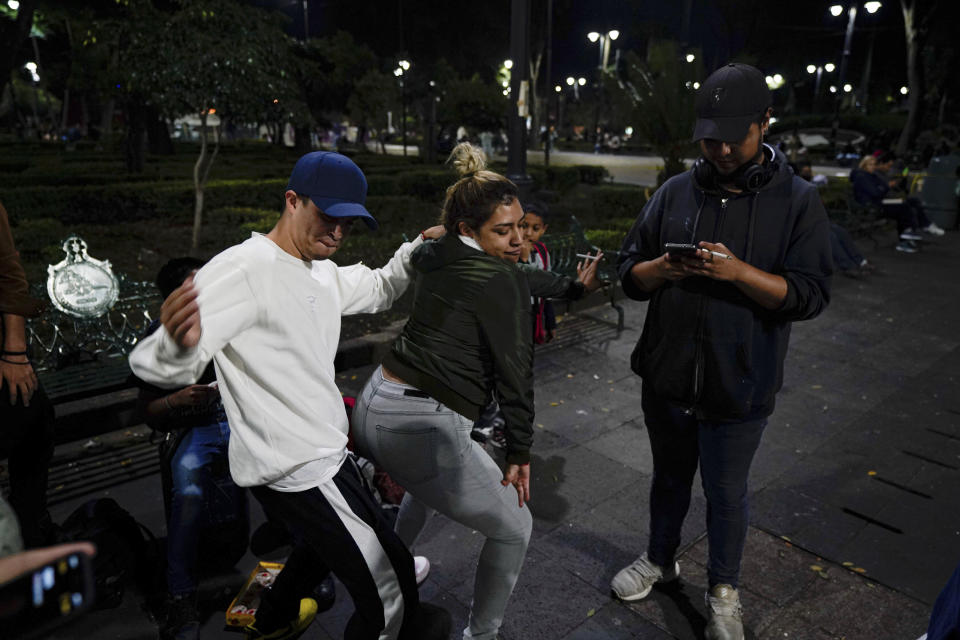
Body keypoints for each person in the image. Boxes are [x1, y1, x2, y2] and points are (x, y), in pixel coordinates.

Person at [129, 151, 449, 640]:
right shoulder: (244, 268)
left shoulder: (318, 267)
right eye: (329, 217)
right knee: (392, 585)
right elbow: (161, 362)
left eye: (349, 223)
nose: (338, 233)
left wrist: (417, 248)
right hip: (297, 469)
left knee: (324, 550)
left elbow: (381, 288)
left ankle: (272, 618)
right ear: (292, 200)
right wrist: (176, 344)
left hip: (322, 452)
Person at [612, 63, 832, 640]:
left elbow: (809, 294)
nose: (723, 148)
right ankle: (661, 561)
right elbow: (628, 275)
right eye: (711, 137)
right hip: (667, 374)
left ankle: (723, 592)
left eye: (736, 135)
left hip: (743, 382)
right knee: (668, 479)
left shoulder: (799, 200)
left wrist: (738, 273)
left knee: (726, 494)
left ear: (766, 122)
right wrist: (662, 267)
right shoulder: (675, 192)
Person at [351, 143, 600, 640]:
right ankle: (480, 635)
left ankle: (393, 577)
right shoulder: (496, 278)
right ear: (470, 229)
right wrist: (521, 453)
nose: (518, 241)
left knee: (422, 491)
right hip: (420, 423)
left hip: (373, 404)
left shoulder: (436, 250)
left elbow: (517, 271)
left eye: (520, 228)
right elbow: (515, 371)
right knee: (515, 527)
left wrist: (571, 288)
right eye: (503, 231)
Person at [131, 257, 251, 640]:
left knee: (286, 467)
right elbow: (148, 410)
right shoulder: (160, 340)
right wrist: (178, 399)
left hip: (237, 420)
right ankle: (180, 594)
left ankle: (304, 567)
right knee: (189, 487)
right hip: (193, 428)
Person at [0, 201, 57, 550]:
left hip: (6, 357)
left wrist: (15, 352)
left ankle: (28, 539)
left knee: (35, 425)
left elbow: (9, 276)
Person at [850, 155, 930, 254]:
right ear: (864, 165)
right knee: (903, 207)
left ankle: (921, 227)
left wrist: (884, 187)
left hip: (879, 202)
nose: (873, 167)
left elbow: (882, 188)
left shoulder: (872, 175)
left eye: (874, 164)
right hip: (872, 207)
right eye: (870, 165)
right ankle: (907, 235)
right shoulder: (862, 177)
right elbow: (876, 192)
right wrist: (885, 187)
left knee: (911, 201)